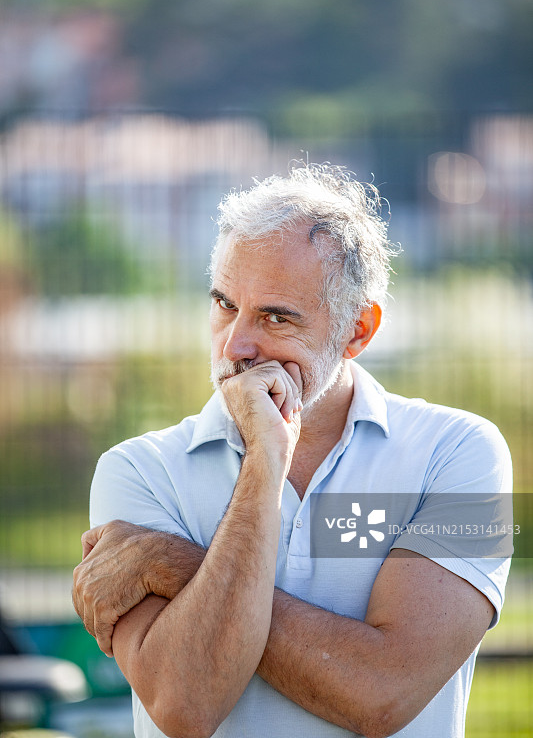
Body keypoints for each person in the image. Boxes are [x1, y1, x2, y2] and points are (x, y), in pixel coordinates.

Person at [72, 163, 512, 738]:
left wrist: (176, 565)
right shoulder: (137, 471)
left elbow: (382, 693)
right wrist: (265, 463)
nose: (236, 345)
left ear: (358, 330)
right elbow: (184, 707)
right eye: (225, 304)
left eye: (275, 317)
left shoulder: (459, 453)